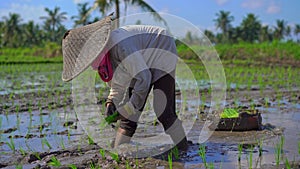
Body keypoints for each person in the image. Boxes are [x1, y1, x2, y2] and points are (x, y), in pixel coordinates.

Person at [62, 16, 188, 151]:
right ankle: (118, 149)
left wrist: (129, 108)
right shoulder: (107, 55)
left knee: (163, 110)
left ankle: (184, 149)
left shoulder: (121, 46)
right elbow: (119, 81)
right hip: (140, 59)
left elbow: (144, 78)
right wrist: (111, 101)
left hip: (161, 47)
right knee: (128, 117)